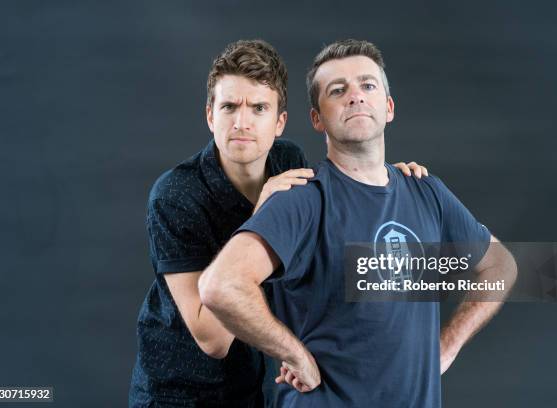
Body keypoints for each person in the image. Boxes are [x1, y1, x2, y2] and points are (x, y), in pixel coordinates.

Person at [199, 39, 518, 407]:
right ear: (317, 118)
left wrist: (446, 348)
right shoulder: (302, 198)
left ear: (388, 107)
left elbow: (501, 264)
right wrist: (294, 354)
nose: (355, 96)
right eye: (337, 90)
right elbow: (222, 285)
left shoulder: (427, 193)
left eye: (367, 85)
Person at [129, 39, 428, 407]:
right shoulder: (175, 194)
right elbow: (213, 340)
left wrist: (385, 180)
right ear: (210, 115)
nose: (242, 122)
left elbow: (337, 214)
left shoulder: (288, 161)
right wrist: (261, 216)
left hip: (255, 385)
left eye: (258, 108)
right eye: (228, 107)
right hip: (176, 392)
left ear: (279, 122)